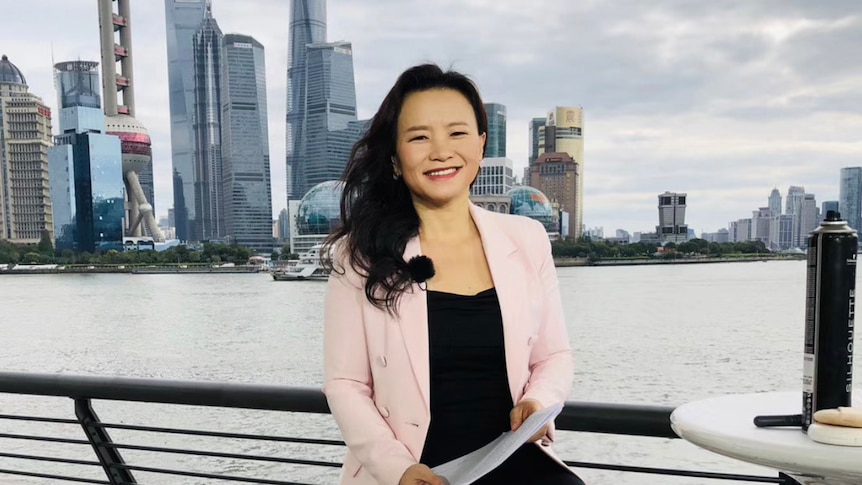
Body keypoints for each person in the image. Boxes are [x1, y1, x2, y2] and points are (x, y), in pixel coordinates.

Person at [322, 63, 582, 485]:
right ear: (394, 157)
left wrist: (539, 400)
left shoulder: (527, 238)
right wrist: (399, 470)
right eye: (419, 136)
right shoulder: (360, 254)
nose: (441, 151)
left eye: (457, 133)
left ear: (481, 146)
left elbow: (554, 357)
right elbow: (345, 384)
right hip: (414, 470)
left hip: (509, 455)